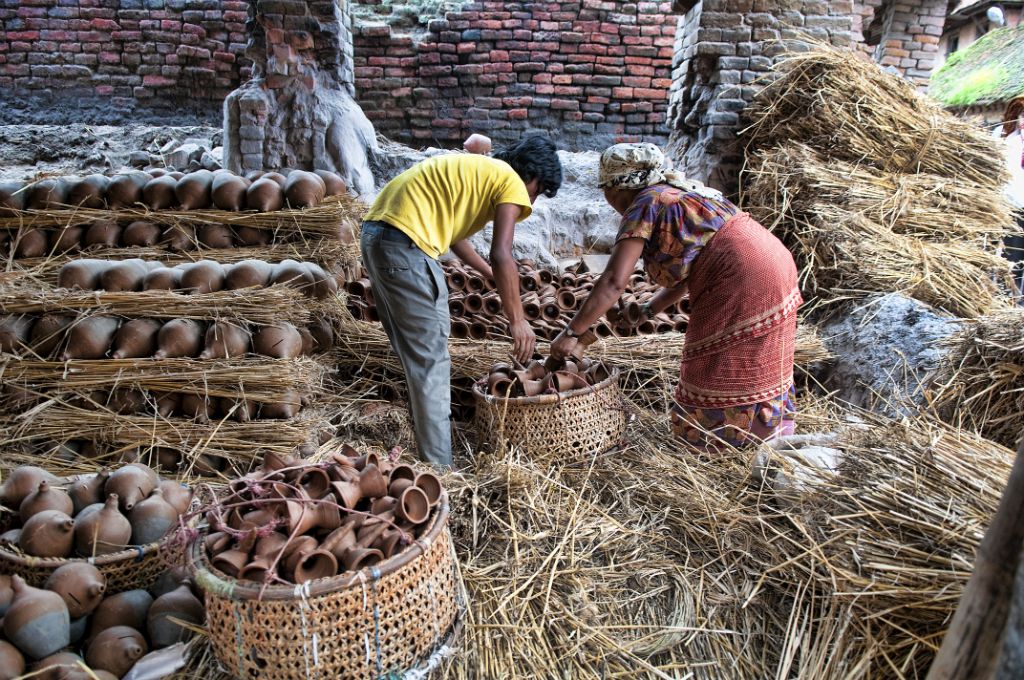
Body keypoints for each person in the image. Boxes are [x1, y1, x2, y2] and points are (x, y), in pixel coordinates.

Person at [550, 143, 801, 451]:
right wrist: (648, 310)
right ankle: (768, 438)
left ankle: (719, 448)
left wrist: (571, 333)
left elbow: (614, 281)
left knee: (713, 366)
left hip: (741, 275)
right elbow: (690, 269)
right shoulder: (682, 193)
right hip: (773, 260)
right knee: (763, 357)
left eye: (605, 190)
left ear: (617, 188)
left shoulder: (644, 202)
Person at [360, 135, 562, 467]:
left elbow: (456, 237)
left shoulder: (480, 169)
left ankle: (429, 446)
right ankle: (441, 472)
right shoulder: (511, 180)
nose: (532, 201)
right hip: (405, 245)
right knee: (431, 364)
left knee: (417, 357)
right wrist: (518, 321)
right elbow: (502, 254)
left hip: (377, 237)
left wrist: (488, 276)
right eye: (537, 192)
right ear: (532, 176)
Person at [998, 96, 1024, 300]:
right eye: (1022, 115)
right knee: (1012, 255)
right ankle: (1007, 296)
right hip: (1012, 205)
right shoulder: (1005, 139)